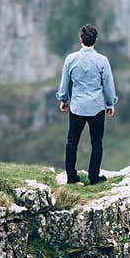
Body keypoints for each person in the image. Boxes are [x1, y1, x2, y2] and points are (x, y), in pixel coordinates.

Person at [55, 24, 118, 185]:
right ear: (96, 40)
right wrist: (110, 104)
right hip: (96, 108)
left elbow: (65, 82)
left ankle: (71, 176)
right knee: (96, 143)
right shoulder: (102, 61)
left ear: (80, 39)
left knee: (72, 142)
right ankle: (94, 177)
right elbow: (108, 84)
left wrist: (63, 99)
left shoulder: (71, 59)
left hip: (76, 107)